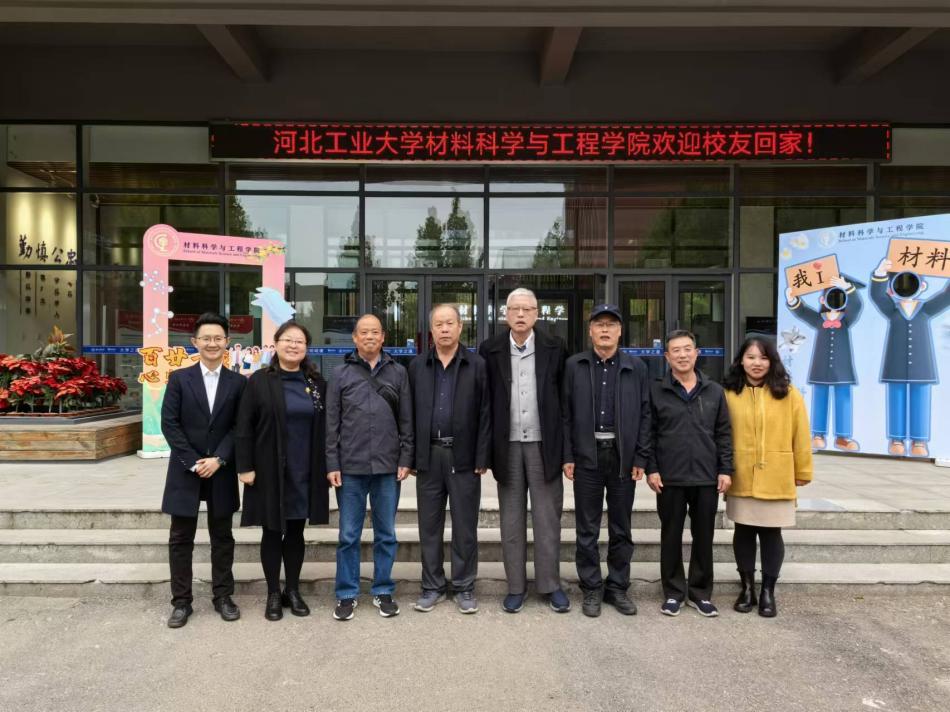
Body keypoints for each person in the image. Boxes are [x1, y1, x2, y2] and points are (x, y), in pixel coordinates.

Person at [478, 287, 571, 613]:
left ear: (536, 314)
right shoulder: (490, 349)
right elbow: (485, 405)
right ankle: (515, 587)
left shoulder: (555, 347)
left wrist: (567, 453)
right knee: (511, 521)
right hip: (507, 446)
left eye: (527, 309)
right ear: (505, 314)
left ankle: (550, 585)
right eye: (514, 309)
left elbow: (565, 404)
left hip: (545, 446)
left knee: (547, 519)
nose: (520, 314)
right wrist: (484, 453)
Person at [235, 321, 330, 621]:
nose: (293, 345)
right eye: (287, 340)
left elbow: (327, 428)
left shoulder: (316, 383)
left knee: (297, 532)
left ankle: (293, 590)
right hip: (269, 468)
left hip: (305, 469)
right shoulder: (260, 381)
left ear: (306, 348)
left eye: (299, 341)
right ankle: (273, 593)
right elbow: (244, 425)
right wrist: (244, 466)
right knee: (272, 531)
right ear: (276, 345)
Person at [562, 305, 652, 617]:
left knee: (621, 527)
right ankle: (591, 588)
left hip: (622, 456)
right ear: (590, 331)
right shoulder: (575, 365)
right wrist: (567, 455)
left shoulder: (636, 367)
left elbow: (646, 414)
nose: (604, 330)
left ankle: (617, 587)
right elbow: (565, 414)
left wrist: (641, 456)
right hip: (586, 456)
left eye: (611, 325)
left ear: (620, 331)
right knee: (586, 528)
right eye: (599, 324)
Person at [160, 312, 246, 628]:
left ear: (227, 342)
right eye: (206, 338)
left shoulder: (238, 382)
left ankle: (223, 596)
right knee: (180, 537)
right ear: (195, 342)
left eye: (218, 338)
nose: (212, 343)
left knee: (222, 536)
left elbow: (239, 426)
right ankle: (181, 602)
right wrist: (194, 460)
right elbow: (169, 423)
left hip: (221, 470)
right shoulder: (179, 379)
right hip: (186, 470)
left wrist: (219, 458)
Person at [326, 314, 413, 621]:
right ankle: (346, 593)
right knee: (348, 535)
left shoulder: (398, 372)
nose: (370, 337)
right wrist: (332, 462)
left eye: (375, 332)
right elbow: (331, 423)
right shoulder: (340, 373)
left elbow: (407, 420)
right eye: (364, 332)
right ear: (355, 337)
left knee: (386, 533)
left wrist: (406, 458)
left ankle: (383, 589)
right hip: (350, 467)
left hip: (388, 467)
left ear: (383, 336)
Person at [408, 304, 491, 614]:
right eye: (438, 324)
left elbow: (486, 413)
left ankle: (464, 585)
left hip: (464, 457)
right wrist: (411, 456)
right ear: (431, 330)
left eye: (449, 323)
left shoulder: (477, 365)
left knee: (465, 526)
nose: (444, 329)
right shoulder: (417, 366)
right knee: (429, 526)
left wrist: (482, 455)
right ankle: (432, 585)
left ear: (460, 327)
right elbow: (409, 414)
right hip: (429, 457)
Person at [722, 337, 813, 618]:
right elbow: (720, 435)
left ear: (772, 361)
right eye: (750, 357)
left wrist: (803, 470)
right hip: (741, 474)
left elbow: (801, 433)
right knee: (743, 532)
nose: (757, 363)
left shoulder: (788, 393)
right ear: (741, 361)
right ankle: (747, 588)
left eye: (763, 358)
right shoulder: (729, 393)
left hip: (777, 473)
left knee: (772, 533)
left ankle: (768, 591)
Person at [647, 330, 733, 618]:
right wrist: (652, 468)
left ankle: (700, 593)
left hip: (706, 476)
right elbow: (649, 433)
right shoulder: (657, 390)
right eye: (676, 350)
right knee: (670, 536)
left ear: (697, 353)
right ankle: (673, 592)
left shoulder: (715, 391)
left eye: (687, 349)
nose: (682, 355)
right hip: (669, 477)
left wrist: (725, 469)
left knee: (704, 536)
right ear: (666, 356)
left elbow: (724, 433)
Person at [870, 258, 950, 457]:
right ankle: (896, 439)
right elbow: (877, 296)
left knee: (920, 401)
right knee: (896, 399)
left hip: (922, 364)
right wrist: (880, 274)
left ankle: (919, 440)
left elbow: (947, 296)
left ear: (922, 286)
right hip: (895, 363)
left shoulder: (927, 308)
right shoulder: (892, 309)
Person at [785, 274, 865, 451]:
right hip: (820, 367)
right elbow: (802, 312)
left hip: (843, 370)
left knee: (843, 400)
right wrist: (792, 300)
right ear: (822, 299)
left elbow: (857, 305)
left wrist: (848, 288)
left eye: (839, 295)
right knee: (820, 399)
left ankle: (843, 437)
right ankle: (818, 435)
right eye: (831, 295)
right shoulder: (818, 319)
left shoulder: (847, 319)